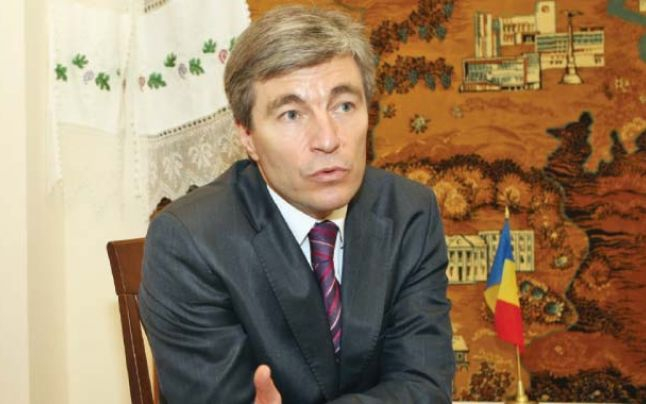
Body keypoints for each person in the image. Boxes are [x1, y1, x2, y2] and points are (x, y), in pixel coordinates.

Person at [139, 5, 455, 403]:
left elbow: (424, 386)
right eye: (291, 114)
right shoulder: (191, 240)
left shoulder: (409, 212)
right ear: (247, 136)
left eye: (344, 106)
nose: (328, 139)